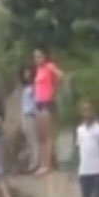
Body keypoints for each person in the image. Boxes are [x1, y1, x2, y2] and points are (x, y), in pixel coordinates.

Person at [32, 47, 64, 175]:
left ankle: (48, 164)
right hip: (38, 103)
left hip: (47, 102)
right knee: (41, 135)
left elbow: (61, 75)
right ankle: (42, 163)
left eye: (39, 56)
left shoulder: (49, 66)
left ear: (44, 56)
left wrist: (54, 92)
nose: (37, 59)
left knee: (48, 134)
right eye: (35, 57)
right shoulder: (38, 70)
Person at [16, 65, 39, 173]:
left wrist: (36, 114)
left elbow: (36, 102)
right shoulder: (23, 88)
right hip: (24, 115)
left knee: (33, 140)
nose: (27, 75)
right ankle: (31, 162)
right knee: (29, 141)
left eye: (28, 72)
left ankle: (34, 164)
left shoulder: (34, 87)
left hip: (31, 115)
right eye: (25, 73)